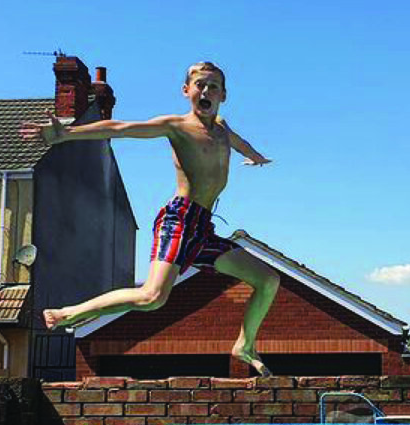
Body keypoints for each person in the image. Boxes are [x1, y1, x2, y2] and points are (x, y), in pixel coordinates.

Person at [23, 61, 279, 376]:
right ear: (187, 91)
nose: (206, 91)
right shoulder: (176, 126)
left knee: (268, 280)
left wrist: (255, 157)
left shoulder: (223, 128)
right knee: (152, 297)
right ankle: (70, 313)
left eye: (213, 86)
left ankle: (245, 345)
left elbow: (239, 144)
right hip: (179, 220)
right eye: (200, 84)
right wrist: (66, 133)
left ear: (224, 95)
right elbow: (121, 128)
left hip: (203, 229)